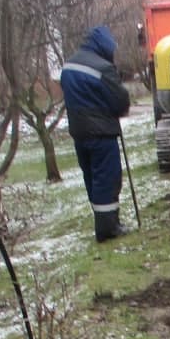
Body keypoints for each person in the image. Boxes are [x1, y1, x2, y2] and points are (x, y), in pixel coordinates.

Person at [60, 25, 132, 242]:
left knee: (91, 177)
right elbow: (120, 102)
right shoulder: (103, 68)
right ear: (105, 46)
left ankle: (104, 222)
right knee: (106, 179)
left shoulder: (69, 65)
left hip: (79, 132)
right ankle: (108, 230)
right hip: (102, 133)